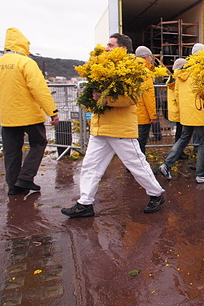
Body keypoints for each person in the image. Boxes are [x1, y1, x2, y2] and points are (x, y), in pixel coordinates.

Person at [61, 33, 165, 218]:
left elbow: (131, 98)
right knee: (90, 166)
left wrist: (103, 99)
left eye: (110, 45)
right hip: (101, 128)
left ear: (123, 49)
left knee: (136, 165)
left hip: (120, 129)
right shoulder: (102, 68)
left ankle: (156, 194)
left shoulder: (133, 71)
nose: (106, 48)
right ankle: (85, 203)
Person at [0, 27, 59, 195]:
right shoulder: (26, 62)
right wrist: (52, 111)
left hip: (8, 118)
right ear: (23, 44)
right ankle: (25, 178)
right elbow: (39, 89)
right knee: (39, 143)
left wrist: (5, 105)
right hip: (29, 115)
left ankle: (13, 186)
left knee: (11, 152)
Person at [157, 43, 204, 184]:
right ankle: (201, 174)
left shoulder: (182, 72)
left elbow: (177, 93)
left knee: (183, 139)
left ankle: (166, 165)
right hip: (200, 112)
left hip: (186, 114)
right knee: (203, 143)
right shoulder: (201, 69)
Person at [134, 46, 157, 155]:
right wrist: (153, 115)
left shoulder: (132, 69)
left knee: (133, 143)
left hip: (132, 113)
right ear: (147, 57)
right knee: (141, 142)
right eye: (151, 57)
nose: (152, 59)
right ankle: (140, 169)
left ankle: (131, 166)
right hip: (142, 114)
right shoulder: (145, 72)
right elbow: (148, 96)